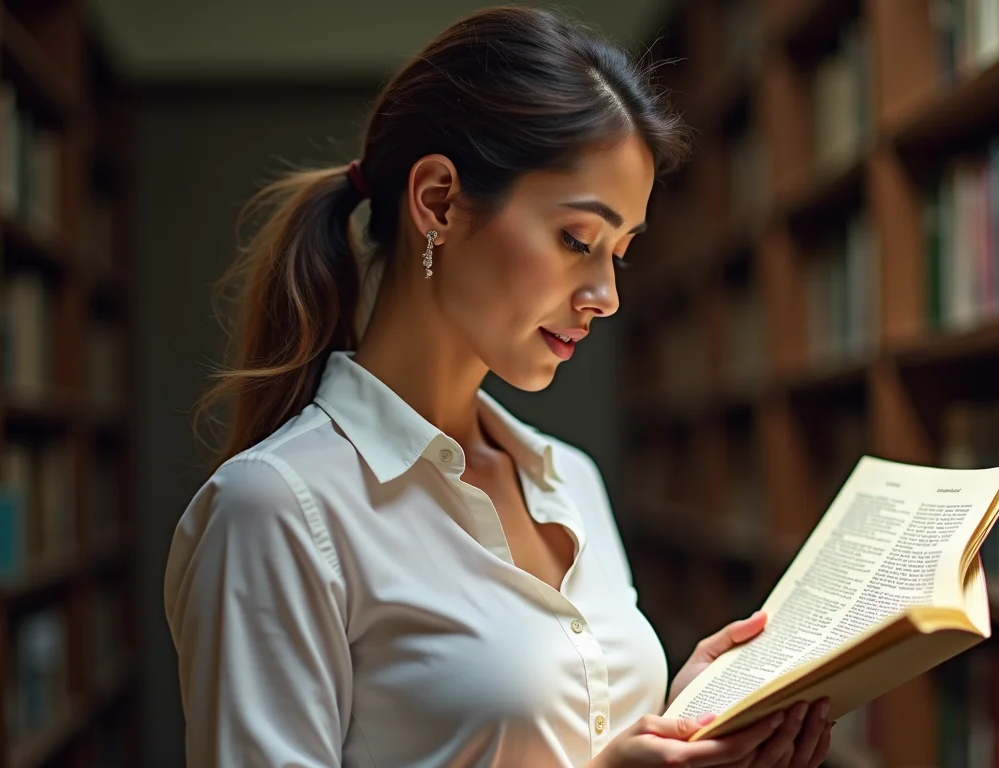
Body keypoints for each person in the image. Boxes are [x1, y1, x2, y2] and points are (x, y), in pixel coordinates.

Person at [165, 6, 835, 767]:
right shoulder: (276, 509)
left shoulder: (569, 480)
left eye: (619, 252)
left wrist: (686, 723)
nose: (606, 297)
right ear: (438, 201)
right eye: (577, 240)